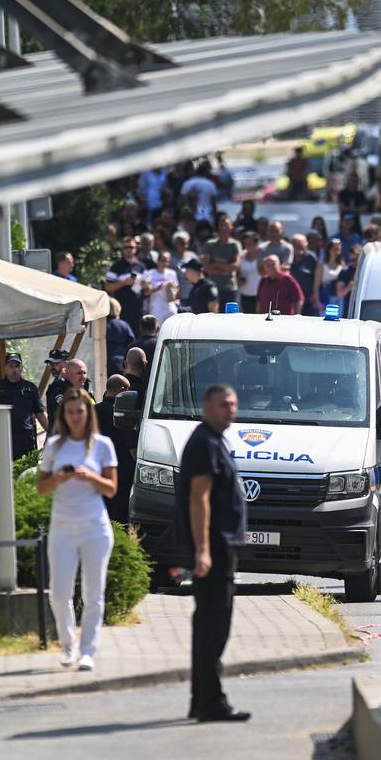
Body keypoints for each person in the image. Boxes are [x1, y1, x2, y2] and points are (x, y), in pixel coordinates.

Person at [177, 384, 250, 722]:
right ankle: (211, 701)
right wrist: (203, 550)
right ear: (207, 407)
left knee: (210, 623)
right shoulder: (205, 442)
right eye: (223, 405)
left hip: (221, 545)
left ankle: (202, 699)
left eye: (233, 404)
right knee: (214, 625)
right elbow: (199, 498)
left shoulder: (216, 440)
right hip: (215, 548)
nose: (230, 410)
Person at [37, 388, 119, 672]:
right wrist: (60, 477)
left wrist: (90, 476)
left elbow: (112, 489)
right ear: (64, 415)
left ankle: (88, 650)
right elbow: (41, 489)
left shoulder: (102, 445)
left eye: (80, 411)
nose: (74, 417)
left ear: (88, 413)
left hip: (94, 526)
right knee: (58, 593)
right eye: (70, 412)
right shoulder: (54, 446)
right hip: (62, 526)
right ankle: (68, 644)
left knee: (93, 593)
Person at [0, 352, 48, 459]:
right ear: (5, 368)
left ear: (21, 367)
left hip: (25, 438)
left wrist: (50, 432)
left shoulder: (30, 388)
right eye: (11, 366)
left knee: (26, 471)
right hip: (3, 437)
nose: (15, 369)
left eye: (17, 366)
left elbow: (39, 412)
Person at [94, 374, 135, 523]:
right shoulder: (122, 413)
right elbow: (131, 444)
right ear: (122, 390)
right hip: (122, 470)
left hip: (98, 468)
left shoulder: (94, 411)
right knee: (120, 513)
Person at [204, 214, 242, 309]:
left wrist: (215, 265)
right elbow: (207, 268)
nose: (224, 228)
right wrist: (226, 270)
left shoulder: (235, 245)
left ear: (231, 227)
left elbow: (235, 267)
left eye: (226, 225)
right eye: (222, 225)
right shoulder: (210, 245)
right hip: (213, 288)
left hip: (230, 288)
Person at [104, 236, 145, 325]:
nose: (129, 249)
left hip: (138, 308)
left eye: (131, 247)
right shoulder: (116, 267)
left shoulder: (141, 266)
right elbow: (107, 287)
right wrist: (123, 283)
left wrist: (145, 285)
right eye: (126, 247)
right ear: (122, 249)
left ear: (136, 248)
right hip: (122, 308)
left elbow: (148, 288)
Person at [46, 359, 94, 426]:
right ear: (68, 373)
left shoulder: (86, 392)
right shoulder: (59, 391)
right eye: (79, 373)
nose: (83, 377)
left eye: (84, 373)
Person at [139, 251, 180, 326]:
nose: (165, 263)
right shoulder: (150, 273)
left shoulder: (172, 273)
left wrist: (172, 292)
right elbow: (146, 293)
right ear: (158, 260)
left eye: (167, 261)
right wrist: (157, 288)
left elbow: (176, 288)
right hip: (156, 307)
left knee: (172, 328)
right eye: (163, 260)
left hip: (169, 306)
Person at [288, 233, 319, 315]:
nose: (298, 247)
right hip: (290, 300)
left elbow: (317, 279)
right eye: (295, 244)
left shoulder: (311, 259)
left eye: (300, 244)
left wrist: (315, 295)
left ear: (306, 244)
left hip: (308, 300)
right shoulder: (287, 257)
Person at [105, 297, 135, 379]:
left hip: (104, 362)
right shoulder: (124, 325)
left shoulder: (100, 326)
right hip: (120, 363)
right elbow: (131, 344)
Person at [237, 231, 262, 313]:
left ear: (256, 243)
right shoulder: (241, 256)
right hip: (244, 295)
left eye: (250, 243)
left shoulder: (262, 255)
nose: (247, 246)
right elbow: (237, 273)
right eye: (245, 243)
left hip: (260, 296)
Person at [317, 239, 346, 309]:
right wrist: (318, 302)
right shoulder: (322, 266)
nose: (337, 252)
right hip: (326, 297)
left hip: (339, 299)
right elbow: (316, 286)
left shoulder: (342, 266)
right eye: (335, 249)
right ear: (329, 250)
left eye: (339, 250)